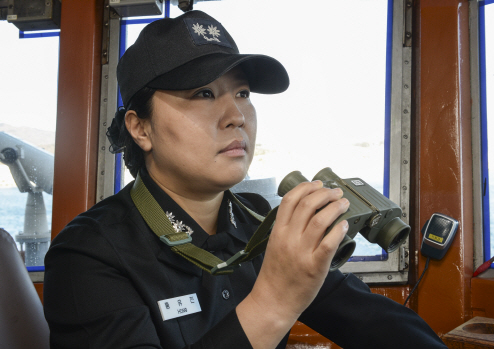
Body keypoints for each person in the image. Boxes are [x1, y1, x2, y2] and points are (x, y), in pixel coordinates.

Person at [43, 10, 448, 349]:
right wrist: (272, 302)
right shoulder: (87, 255)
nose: (236, 115)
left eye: (242, 93)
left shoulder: (260, 221)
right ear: (140, 128)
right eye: (202, 94)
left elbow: (368, 319)